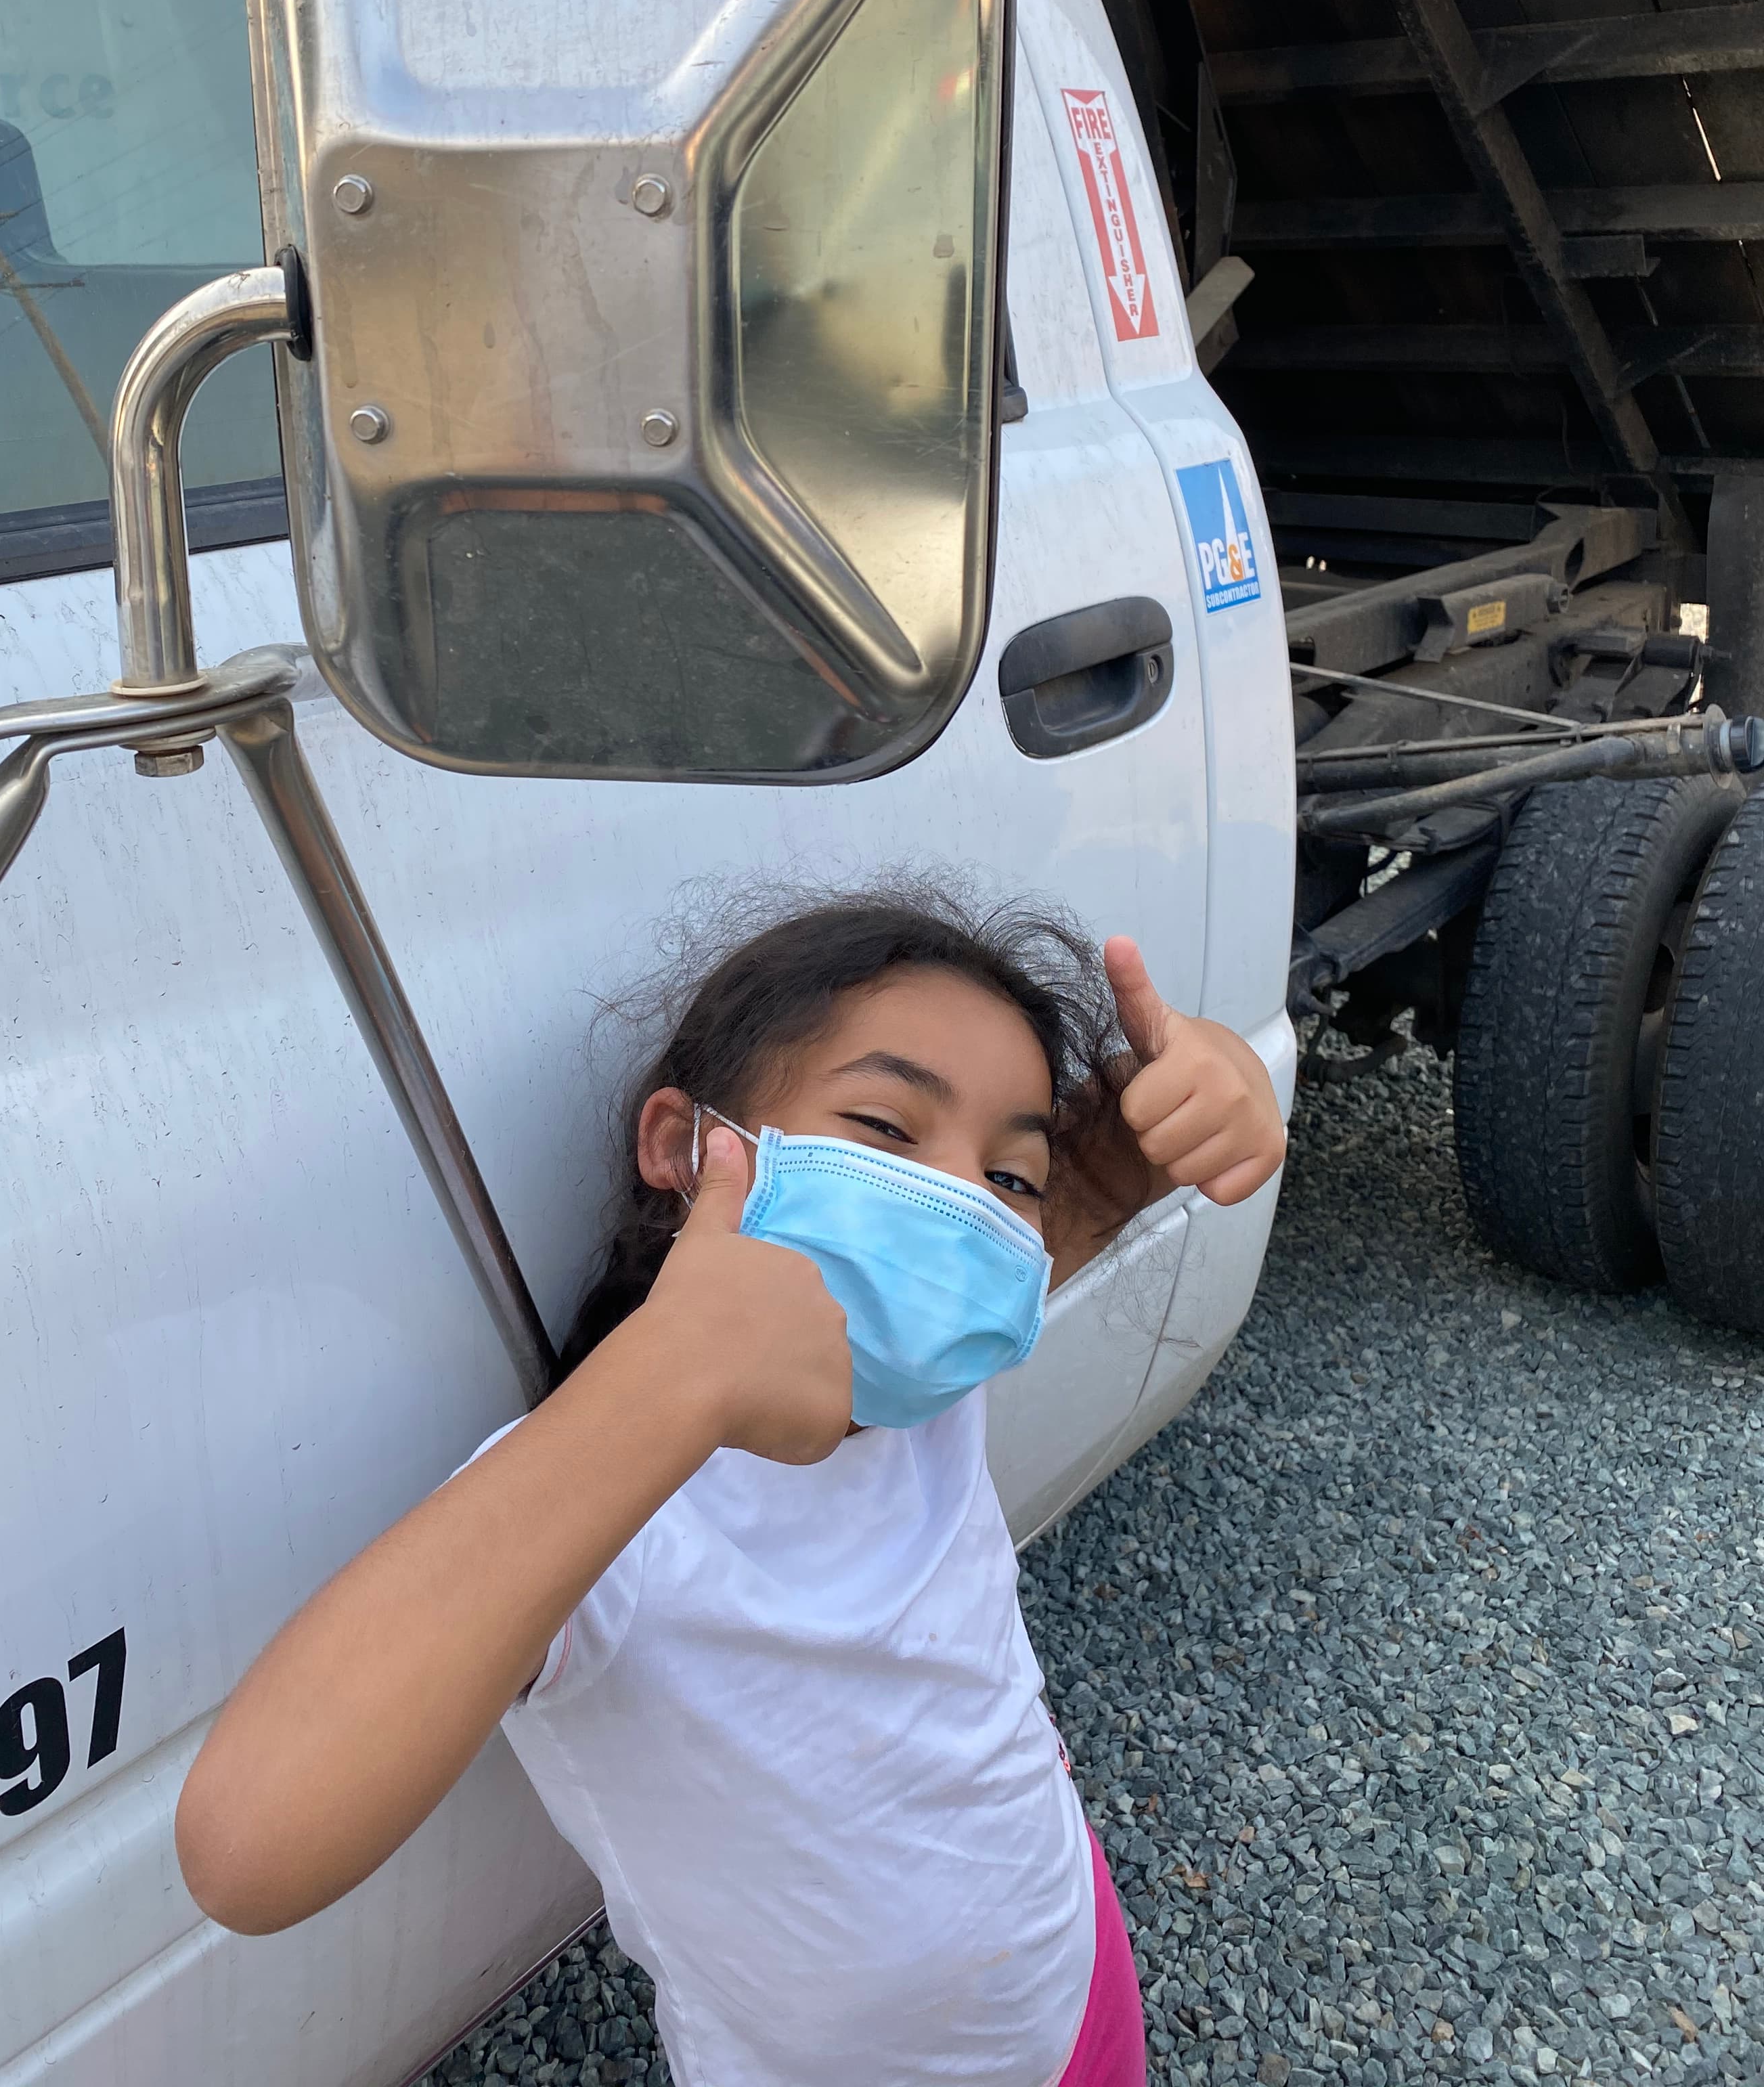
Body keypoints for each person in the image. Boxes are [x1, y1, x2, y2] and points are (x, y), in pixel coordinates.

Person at [177, 887, 1287, 2086]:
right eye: (887, 1126)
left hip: (1075, 1992)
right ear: (681, 1146)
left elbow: (1105, 1182)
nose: (962, 1205)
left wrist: (1213, 1090)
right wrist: (669, 1379)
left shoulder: (915, 1380)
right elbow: (248, 1851)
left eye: (1008, 1177)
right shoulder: (606, 1499)